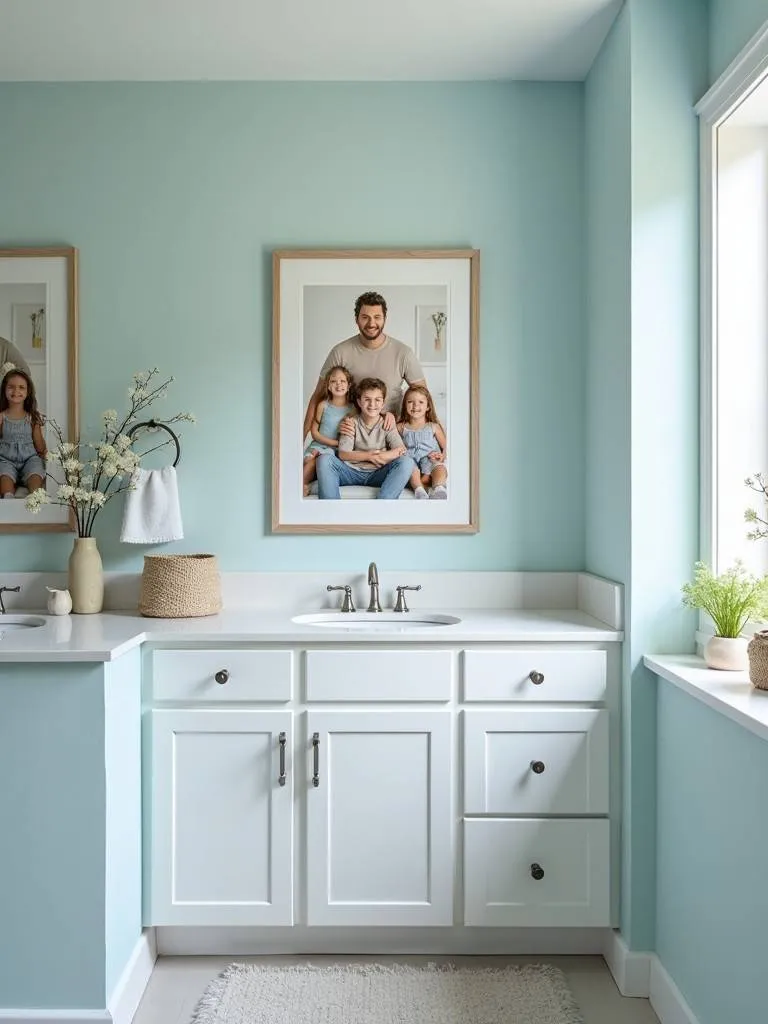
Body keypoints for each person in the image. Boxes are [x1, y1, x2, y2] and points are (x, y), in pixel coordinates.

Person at [302, 291, 427, 441]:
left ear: (385, 319)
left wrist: (434, 441)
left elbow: (424, 397)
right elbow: (317, 396)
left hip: (391, 432)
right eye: (365, 317)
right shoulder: (340, 352)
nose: (371, 323)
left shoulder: (404, 353)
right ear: (356, 319)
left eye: (377, 317)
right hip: (351, 434)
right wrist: (300, 442)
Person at [315, 377, 414, 500]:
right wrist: (369, 456)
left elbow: (401, 450)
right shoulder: (351, 422)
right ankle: (332, 512)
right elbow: (343, 454)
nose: (372, 404)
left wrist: (382, 456)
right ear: (359, 402)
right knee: (324, 460)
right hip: (351, 471)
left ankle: (383, 505)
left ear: (383, 403)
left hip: (378, 472)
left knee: (407, 462)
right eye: (367, 399)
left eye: (377, 400)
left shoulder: (387, 424)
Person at [302, 366, 355, 496]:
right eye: (333, 381)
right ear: (328, 386)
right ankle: (300, 485)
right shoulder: (323, 405)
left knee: (324, 463)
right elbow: (315, 433)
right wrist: (334, 443)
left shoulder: (353, 409)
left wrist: (338, 445)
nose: (338, 385)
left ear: (348, 386)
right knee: (312, 460)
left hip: (337, 450)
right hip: (319, 445)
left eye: (342, 381)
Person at [0, 368, 46, 498]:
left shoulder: (31, 417)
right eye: (11, 387)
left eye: (21, 387)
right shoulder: (1, 417)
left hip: (29, 459)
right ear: (4, 390)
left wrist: (45, 453)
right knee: (4, 475)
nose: (16, 391)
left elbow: (39, 445)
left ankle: (35, 497)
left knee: (36, 473)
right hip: (5, 460)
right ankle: (8, 496)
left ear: (28, 392)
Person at [397, 384, 448, 500]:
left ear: (428, 407)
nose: (415, 406)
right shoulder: (400, 427)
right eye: (410, 402)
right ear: (405, 405)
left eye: (421, 402)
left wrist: (442, 456)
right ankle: (419, 490)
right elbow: (392, 444)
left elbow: (446, 447)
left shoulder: (433, 426)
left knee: (440, 468)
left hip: (430, 459)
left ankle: (439, 488)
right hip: (411, 461)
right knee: (410, 468)